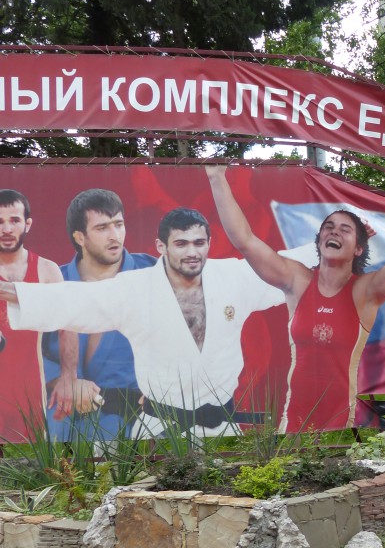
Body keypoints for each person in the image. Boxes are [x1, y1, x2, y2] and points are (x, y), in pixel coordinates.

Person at [0, 205, 285, 438]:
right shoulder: (136, 287)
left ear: (209, 243)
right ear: (162, 246)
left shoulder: (233, 277)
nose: (191, 252)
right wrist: (9, 291)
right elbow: (76, 300)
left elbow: (290, 271)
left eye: (199, 243)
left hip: (221, 427)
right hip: (157, 428)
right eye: (181, 244)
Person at [207, 165, 385, 431]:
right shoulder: (298, 280)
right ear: (319, 240)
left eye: (345, 229)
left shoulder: (363, 291)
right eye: (329, 227)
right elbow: (245, 241)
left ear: (358, 249)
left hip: (341, 424)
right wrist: (216, 177)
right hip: (293, 421)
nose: (334, 231)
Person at [42, 189, 157, 441]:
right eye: (102, 228)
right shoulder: (54, 282)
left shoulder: (153, 273)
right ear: (80, 237)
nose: (115, 235)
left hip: (144, 421)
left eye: (119, 224)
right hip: (68, 423)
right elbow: (28, 348)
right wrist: (62, 380)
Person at [0, 189, 82, 442]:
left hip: (27, 392)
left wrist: (68, 377)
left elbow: (68, 325)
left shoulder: (46, 270)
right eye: (0, 221)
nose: (6, 229)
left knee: (32, 461)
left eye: (14, 220)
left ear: (27, 223)